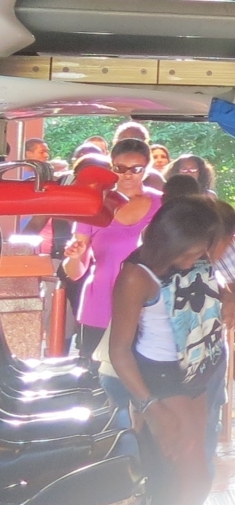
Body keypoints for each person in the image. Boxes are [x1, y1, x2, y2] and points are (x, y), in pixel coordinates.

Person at [99, 195, 232, 505]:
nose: (199, 257)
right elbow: (120, 352)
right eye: (192, 250)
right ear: (169, 243)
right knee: (189, 487)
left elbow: (216, 276)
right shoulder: (136, 276)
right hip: (162, 382)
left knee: (177, 489)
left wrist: (233, 298)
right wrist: (149, 406)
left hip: (196, 374)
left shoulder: (195, 260)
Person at [68, 137, 161, 359]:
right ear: (111, 167)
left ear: (147, 169)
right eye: (120, 168)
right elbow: (75, 272)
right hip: (100, 303)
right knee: (94, 371)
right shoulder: (94, 204)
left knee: (145, 372)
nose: (128, 175)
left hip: (148, 306)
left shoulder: (163, 204)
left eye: (136, 169)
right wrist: (75, 256)